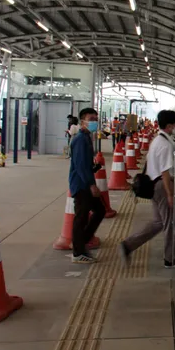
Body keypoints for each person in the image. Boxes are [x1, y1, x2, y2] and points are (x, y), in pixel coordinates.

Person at [119, 110, 175, 269]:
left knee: (158, 223)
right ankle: (170, 258)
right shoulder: (165, 145)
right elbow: (165, 172)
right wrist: (170, 194)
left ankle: (128, 245)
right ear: (168, 126)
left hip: (153, 185)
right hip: (161, 186)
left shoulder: (156, 140)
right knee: (169, 223)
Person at [69, 108, 106, 264]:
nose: (94, 122)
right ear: (83, 120)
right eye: (91, 118)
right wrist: (92, 185)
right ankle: (78, 252)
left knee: (99, 211)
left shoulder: (86, 137)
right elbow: (80, 165)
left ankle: (81, 242)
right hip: (81, 185)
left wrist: (94, 168)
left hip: (85, 182)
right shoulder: (80, 139)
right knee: (81, 217)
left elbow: (85, 164)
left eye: (95, 119)